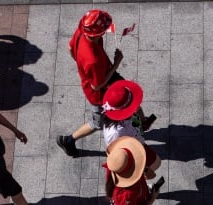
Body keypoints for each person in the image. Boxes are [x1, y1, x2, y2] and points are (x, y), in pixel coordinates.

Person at [55, 9, 155, 158]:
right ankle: (69, 140)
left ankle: (142, 121)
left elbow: (70, 48)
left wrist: (81, 65)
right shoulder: (92, 60)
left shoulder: (81, 33)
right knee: (98, 123)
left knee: (130, 97)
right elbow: (96, 85)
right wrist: (116, 63)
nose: (106, 31)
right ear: (97, 33)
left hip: (106, 76)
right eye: (103, 29)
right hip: (100, 93)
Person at [101, 80, 161, 180]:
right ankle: (138, 181)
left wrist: (141, 123)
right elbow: (122, 157)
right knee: (156, 163)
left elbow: (136, 111)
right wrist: (144, 170)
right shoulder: (116, 133)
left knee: (156, 162)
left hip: (137, 142)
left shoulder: (122, 115)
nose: (135, 107)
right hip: (133, 153)